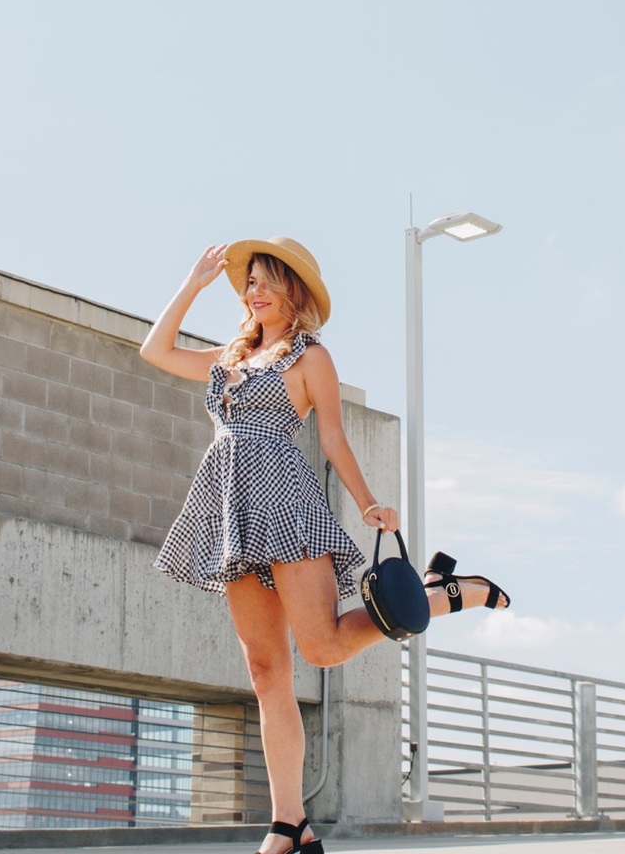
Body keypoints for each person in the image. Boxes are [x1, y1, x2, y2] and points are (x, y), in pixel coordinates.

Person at [140, 236, 510, 854]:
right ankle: (289, 822)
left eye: (265, 281)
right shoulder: (230, 358)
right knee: (266, 672)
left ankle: (436, 594)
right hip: (231, 509)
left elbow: (333, 439)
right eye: (247, 282)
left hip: (285, 502)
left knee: (324, 645)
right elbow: (155, 349)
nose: (253, 291)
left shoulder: (310, 358)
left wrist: (368, 503)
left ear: (293, 290)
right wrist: (194, 281)